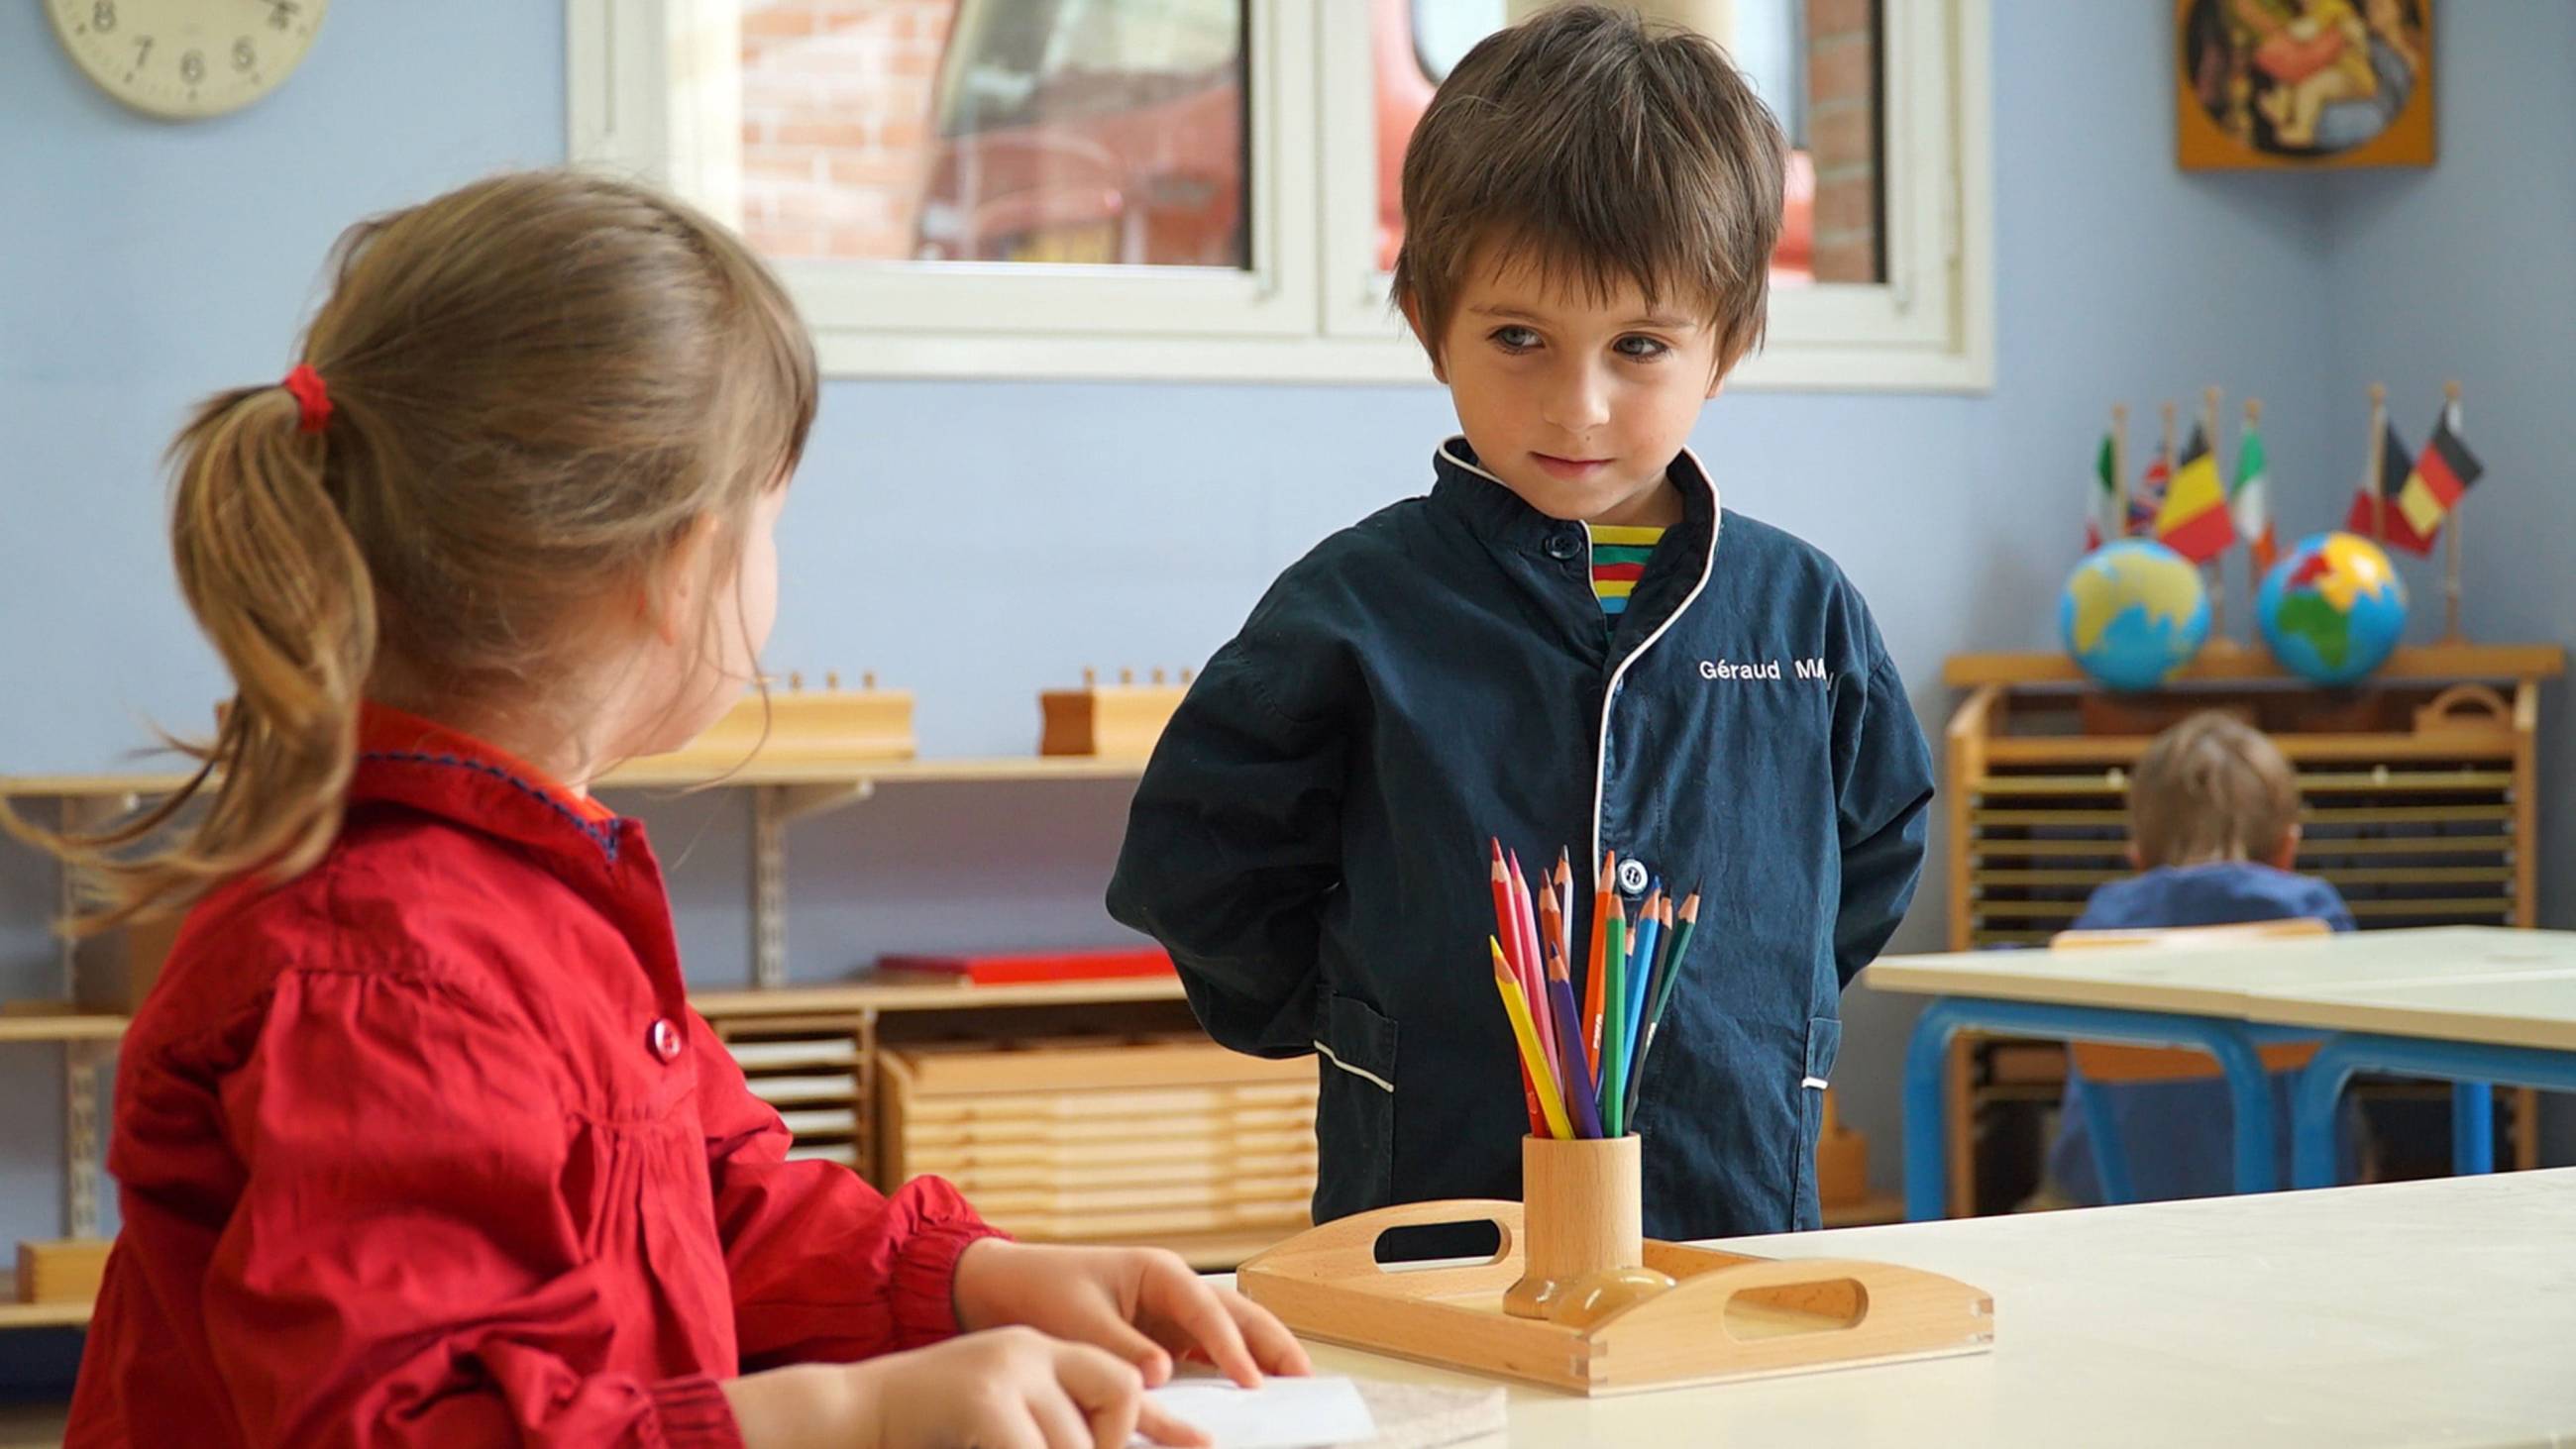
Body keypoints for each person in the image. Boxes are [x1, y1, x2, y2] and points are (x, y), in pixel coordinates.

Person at [20, 169, 1304, 1449]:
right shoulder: (389, 972)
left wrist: (969, 1277)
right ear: (680, 565)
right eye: (771, 522)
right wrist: (843, 1412)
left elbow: (707, 1196)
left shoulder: (534, 890)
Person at [1107, 5, 1934, 1243]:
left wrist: (1773, 1010)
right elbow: (1204, 849)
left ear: (1726, 344)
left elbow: (1869, 856)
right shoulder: (1356, 604)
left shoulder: (1802, 611)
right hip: (1430, 1206)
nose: (1578, 403)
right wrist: (1339, 1008)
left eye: (1639, 344)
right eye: (1517, 338)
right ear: (1428, 319)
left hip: (1729, 1204)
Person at [2044, 710, 2356, 1206]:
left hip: (2110, 1198)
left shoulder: (2103, 919)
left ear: (2138, 856)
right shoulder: (2315, 917)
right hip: (2285, 1201)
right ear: (2287, 850)